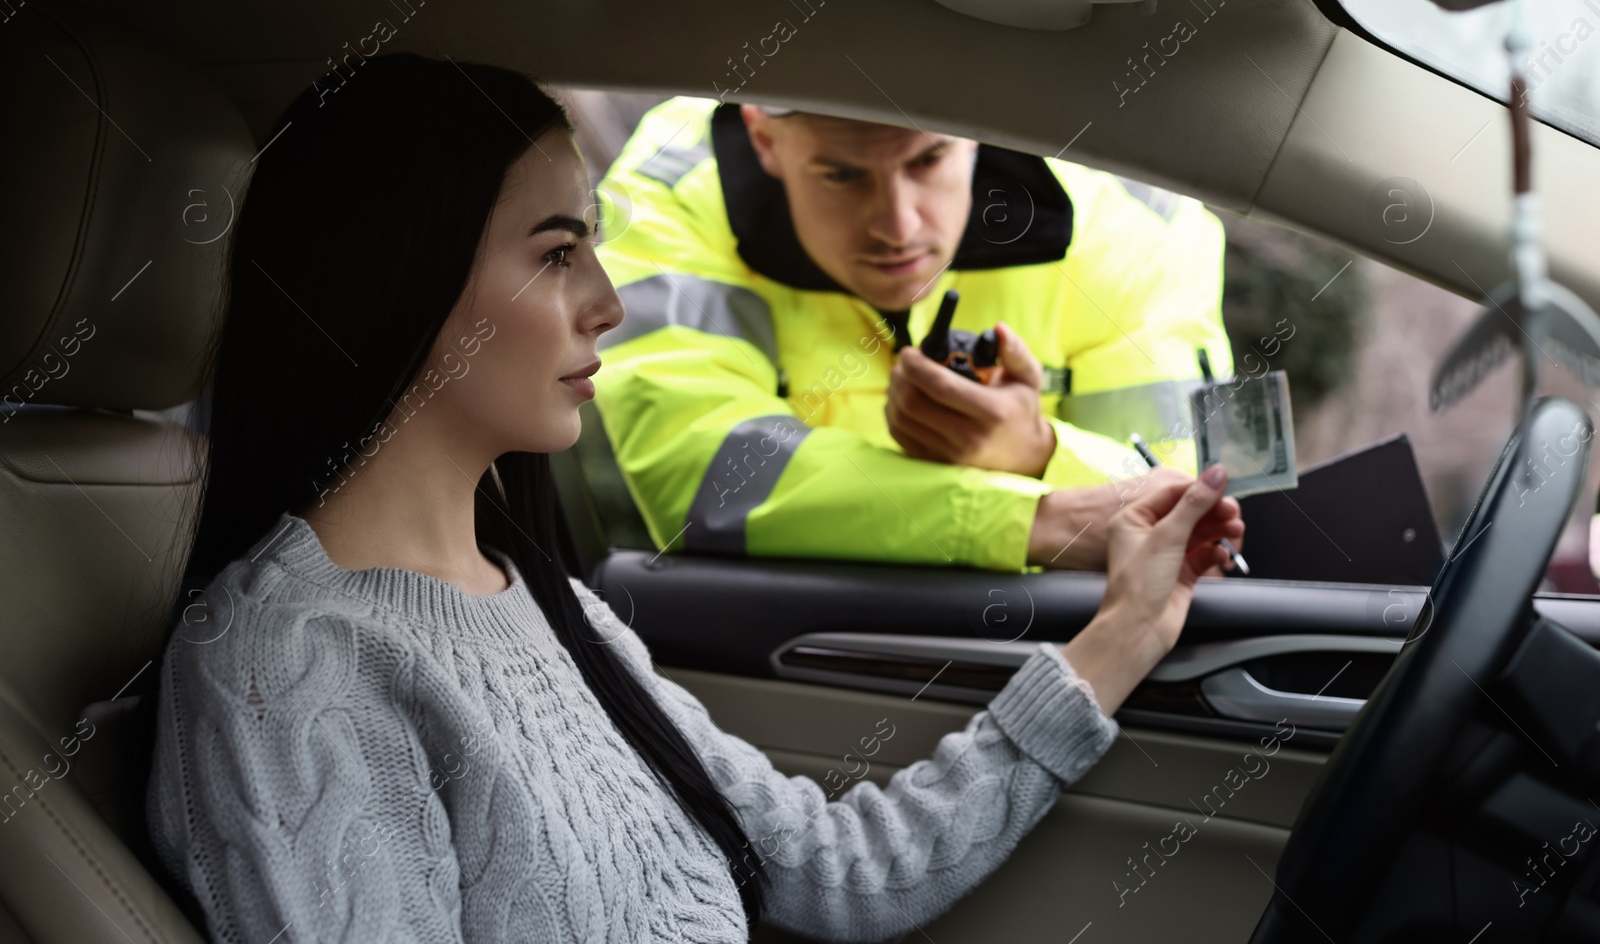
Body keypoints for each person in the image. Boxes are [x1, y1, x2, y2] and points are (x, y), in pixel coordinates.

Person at [138, 55, 1245, 943]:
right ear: (403, 274)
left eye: (593, 248)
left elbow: (837, 872)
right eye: (558, 251)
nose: (609, 303)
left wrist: (1124, 633)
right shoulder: (281, 663)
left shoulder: (545, 605)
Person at [591, 99, 1234, 572]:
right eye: (842, 175)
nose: (896, 226)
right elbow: (707, 479)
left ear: (981, 131)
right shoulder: (665, 198)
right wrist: (1031, 517)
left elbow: (1188, 516)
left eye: (928, 158)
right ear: (762, 137)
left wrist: (1035, 450)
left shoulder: (1138, 224)